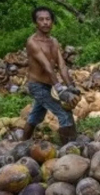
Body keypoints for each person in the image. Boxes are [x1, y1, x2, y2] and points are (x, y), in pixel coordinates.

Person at [22, 6, 80, 145]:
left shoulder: (53, 42)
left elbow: (62, 66)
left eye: (48, 19)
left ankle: (22, 145)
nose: (45, 22)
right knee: (64, 113)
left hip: (48, 85)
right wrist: (60, 90)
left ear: (52, 22)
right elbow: (47, 67)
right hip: (37, 86)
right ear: (35, 23)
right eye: (41, 19)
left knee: (35, 117)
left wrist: (70, 86)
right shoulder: (33, 42)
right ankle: (69, 148)